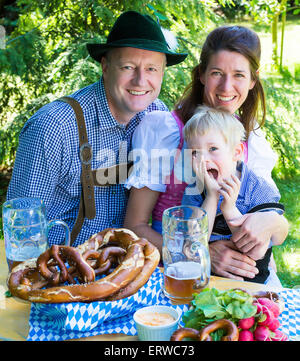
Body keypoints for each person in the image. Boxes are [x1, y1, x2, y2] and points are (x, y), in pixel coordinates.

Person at [6, 11, 187, 247]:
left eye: (152, 69)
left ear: (163, 72)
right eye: (128, 67)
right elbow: (21, 229)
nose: (141, 81)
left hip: (125, 268)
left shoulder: (156, 117)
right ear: (105, 66)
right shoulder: (53, 127)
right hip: (59, 272)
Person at [124, 25, 289, 281]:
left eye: (239, 75)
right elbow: (135, 227)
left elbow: (274, 221)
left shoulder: (250, 138)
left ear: (253, 80)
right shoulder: (165, 130)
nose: (226, 86)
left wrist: (274, 223)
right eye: (216, 73)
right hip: (173, 268)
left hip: (245, 274)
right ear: (201, 74)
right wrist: (201, 255)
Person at [181, 106, 285, 285]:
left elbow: (255, 251)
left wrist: (229, 209)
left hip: (257, 281)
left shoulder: (257, 188)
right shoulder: (195, 191)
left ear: (236, 153)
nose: (203, 159)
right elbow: (193, 246)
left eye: (213, 148)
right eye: (195, 153)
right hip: (210, 278)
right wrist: (212, 198)